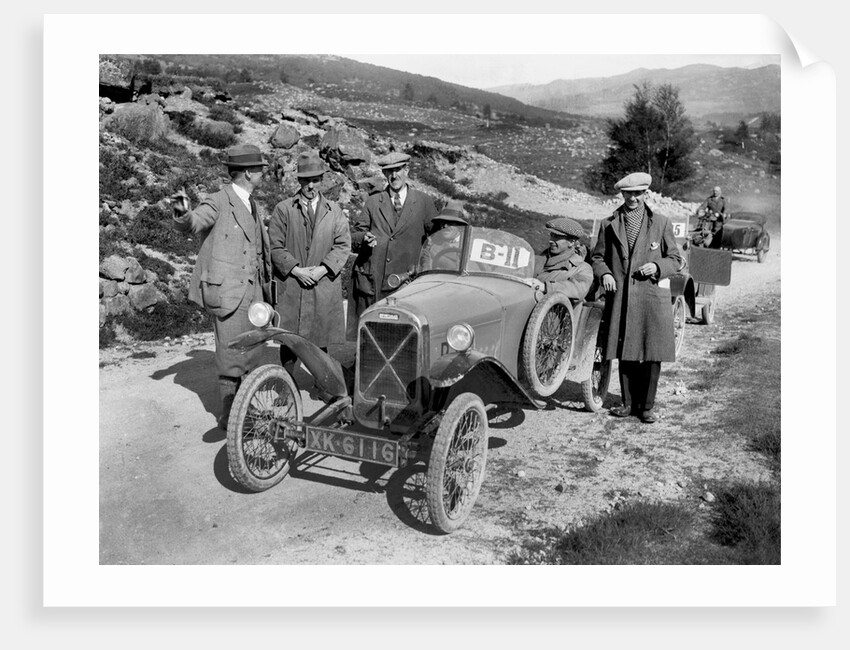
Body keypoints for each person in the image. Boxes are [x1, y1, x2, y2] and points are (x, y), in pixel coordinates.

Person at [169, 143, 273, 430]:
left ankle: (245, 405)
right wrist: (179, 206)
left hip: (252, 292)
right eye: (260, 170)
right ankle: (229, 413)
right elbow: (192, 222)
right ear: (248, 173)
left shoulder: (252, 202)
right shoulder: (217, 200)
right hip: (228, 292)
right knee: (230, 351)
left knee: (251, 349)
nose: (263, 174)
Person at [591, 172, 683, 424]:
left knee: (652, 351)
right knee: (625, 349)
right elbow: (597, 258)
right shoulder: (609, 223)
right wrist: (606, 274)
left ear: (646, 194)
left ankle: (647, 407)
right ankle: (627, 403)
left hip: (651, 296)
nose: (633, 198)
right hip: (621, 296)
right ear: (622, 194)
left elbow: (676, 259)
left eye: (638, 193)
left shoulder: (661, 222)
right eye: (628, 193)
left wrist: (657, 267)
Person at [267, 150, 351, 374]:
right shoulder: (283, 209)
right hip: (293, 285)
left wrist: (322, 269)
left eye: (315, 180)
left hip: (322, 284)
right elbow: (274, 245)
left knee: (320, 339)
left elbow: (343, 245)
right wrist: (296, 270)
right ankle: (287, 384)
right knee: (289, 339)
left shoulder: (335, 212)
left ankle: (322, 383)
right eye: (306, 180)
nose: (311, 186)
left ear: (322, 181)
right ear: (299, 180)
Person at [349, 151, 438, 332]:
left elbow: (436, 239)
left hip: (408, 281)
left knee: (405, 332)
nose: (394, 175)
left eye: (398, 170)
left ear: (407, 170)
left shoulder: (423, 202)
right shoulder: (373, 202)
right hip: (377, 278)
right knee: (375, 331)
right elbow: (355, 236)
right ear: (384, 174)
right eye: (389, 171)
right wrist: (364, 239)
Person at [533, 217, 594, 299]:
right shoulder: (536, 259)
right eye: (551, 235)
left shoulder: (581, 268)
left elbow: (578, 290)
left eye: (557, 237)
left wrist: (545, 287)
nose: (550, 240)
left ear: (571, 242)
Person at [418, 199, 467, 272]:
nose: (445, 226)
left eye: (450, 222)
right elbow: (425, 273)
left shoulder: (470, 246)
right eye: (442, 222)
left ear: (460, 226)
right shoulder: (431, 246)